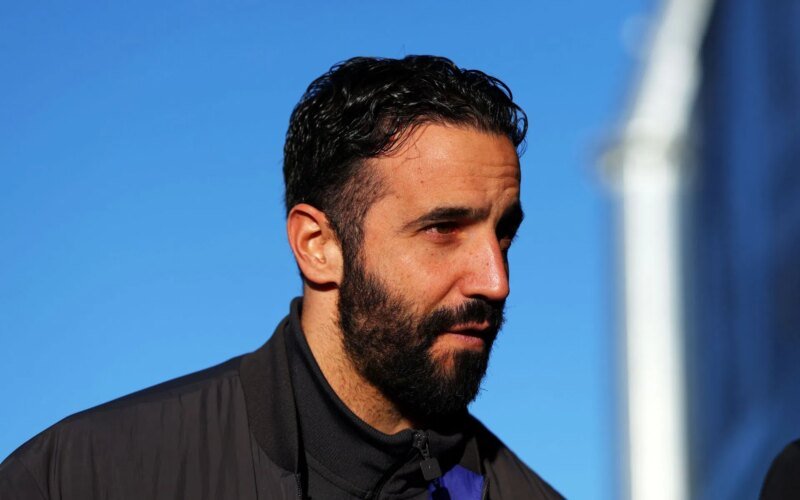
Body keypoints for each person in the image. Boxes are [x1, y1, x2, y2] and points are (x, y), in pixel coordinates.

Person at [0, 55, 562, 499]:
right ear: (318, 246)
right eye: (443, 229)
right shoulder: (86, 477)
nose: (495, 281)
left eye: (503, 233)